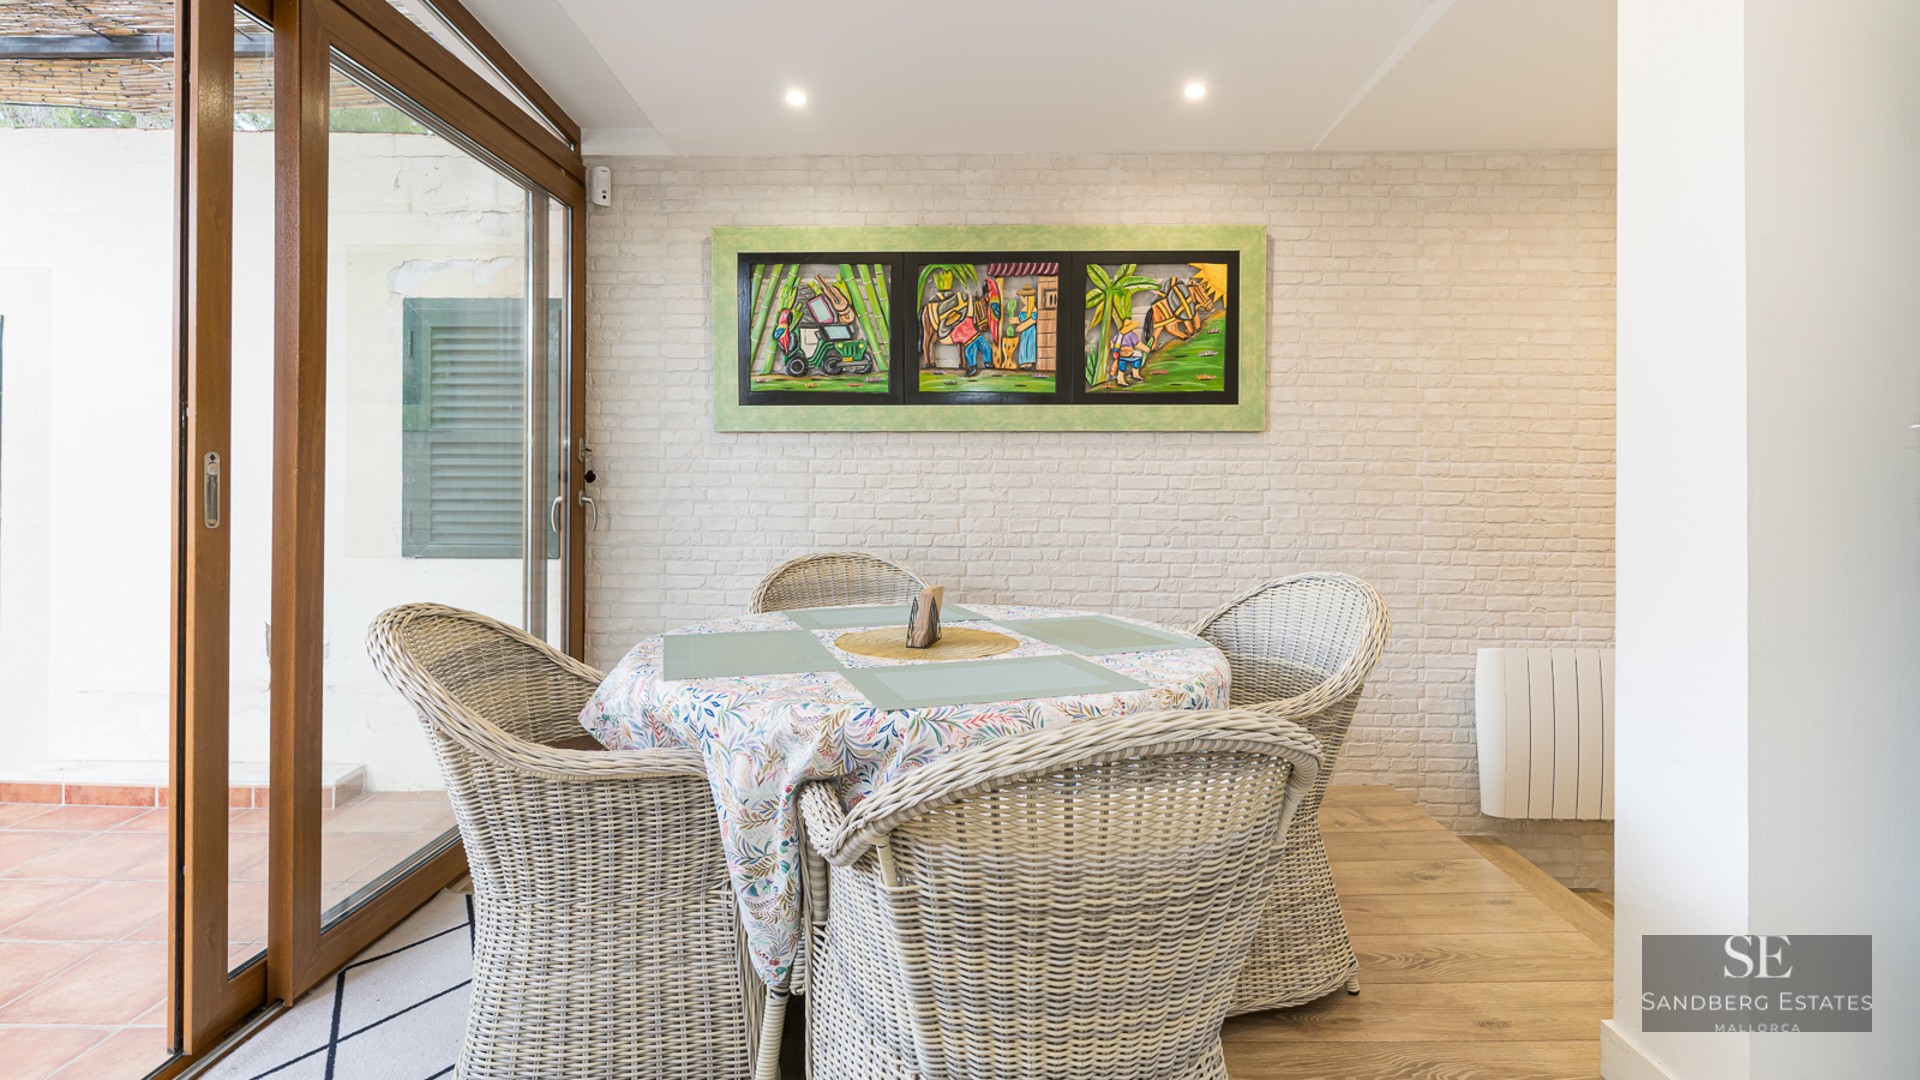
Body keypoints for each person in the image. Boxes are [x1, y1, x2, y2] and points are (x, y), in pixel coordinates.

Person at [1110, 318, 1145, 387]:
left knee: (1122, 363)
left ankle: (1120, 379)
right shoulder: (1131, 335)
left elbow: (1112, 342)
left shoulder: (1119, 334)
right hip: (1130, 353)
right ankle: (1135, 373)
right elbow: (1138, 344)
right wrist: (1147, 349)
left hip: (1121, 353)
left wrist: (1114, 348)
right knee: (1139, 355)